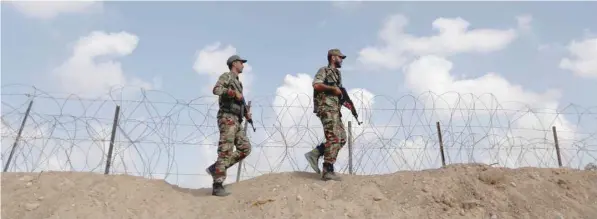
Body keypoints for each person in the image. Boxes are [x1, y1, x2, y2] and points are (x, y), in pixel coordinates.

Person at [205, 55, 252, 196]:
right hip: (227, 118)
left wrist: (246, 114)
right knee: (225, 150)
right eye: (241, 63)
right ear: (234, 64)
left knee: (245, 148)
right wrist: (232, 93)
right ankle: (217, 185)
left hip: (237, 119)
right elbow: (217, 90)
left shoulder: (239, 83)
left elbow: (239, 102)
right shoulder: (227, 76)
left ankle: (217, 167)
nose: (243, 65)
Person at [304, 48, 348, 181]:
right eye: (340, 57)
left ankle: (315, 153)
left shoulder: (337, 75)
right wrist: (333, 89)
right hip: (326, 108)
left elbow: (339, 93)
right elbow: (316, 85)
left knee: (342, 138)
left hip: (335, 109)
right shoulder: (324, 71)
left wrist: (345, 101)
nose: (341, 60)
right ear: (333, 57)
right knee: (334, 137)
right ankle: (327, 169)